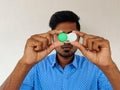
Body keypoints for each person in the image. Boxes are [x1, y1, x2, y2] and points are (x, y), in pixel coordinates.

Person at [0, 10, 120, 90]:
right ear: (52, 37)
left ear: (79, 37)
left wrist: (109, 66)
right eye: (61, 35)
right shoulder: (35, 67)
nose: (66, 41)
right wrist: (24, 63)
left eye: (71, 35)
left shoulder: (95, 67)